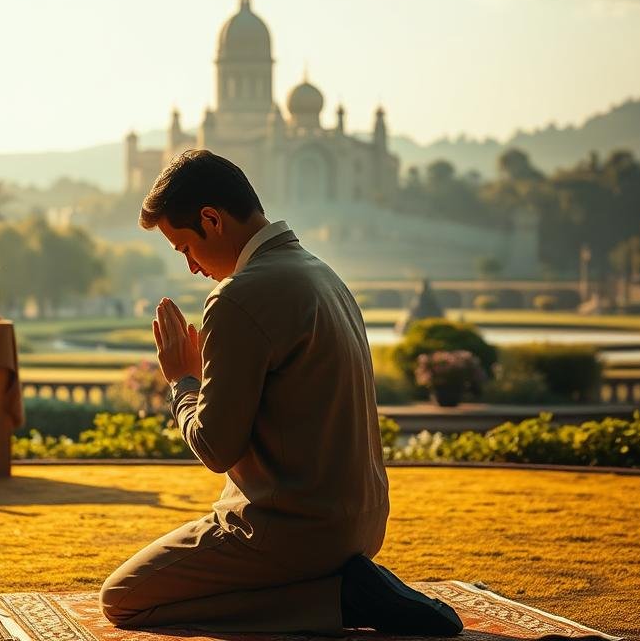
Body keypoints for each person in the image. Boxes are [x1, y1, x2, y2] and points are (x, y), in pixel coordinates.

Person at [99, 149, 463, 637]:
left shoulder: (238, 297)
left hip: (288, 531)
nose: (191, 267)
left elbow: (215, 447)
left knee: (123, 600)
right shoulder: (321, 272)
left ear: (211, 220)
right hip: (363, 524)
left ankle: (342, 599)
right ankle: (352, 585)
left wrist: (182, 379)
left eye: (185, 248)